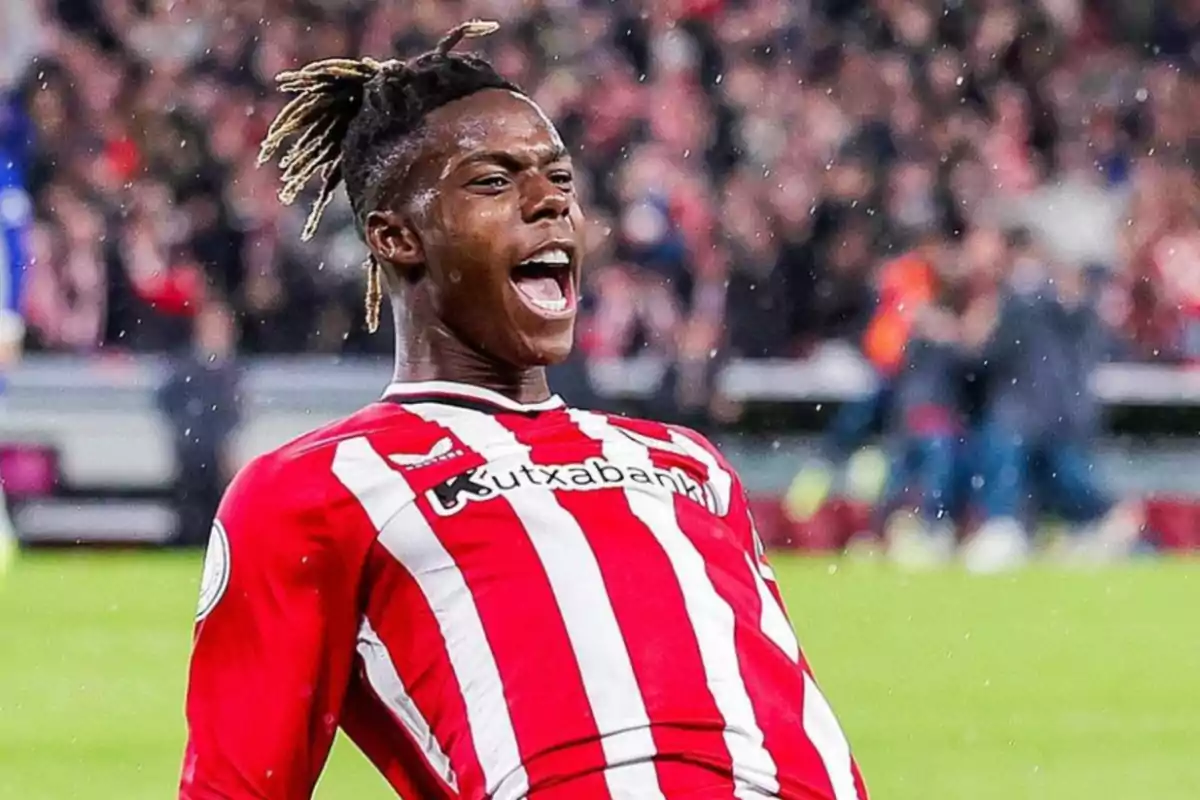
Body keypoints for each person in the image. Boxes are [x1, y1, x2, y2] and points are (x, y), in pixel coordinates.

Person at [179, 21, 868, 800]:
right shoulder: (314, 491)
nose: (549, 204)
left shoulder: (688, 462)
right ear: (397, 236)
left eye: (560, 179)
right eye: (494, 181)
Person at [157, 300, 242, 546]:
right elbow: (168, 401)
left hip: (217, 452)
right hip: (192, 452)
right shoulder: (186, 368)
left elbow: (234, 413)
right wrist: (188, 429)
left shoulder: (232, 371)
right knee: (191, 512)